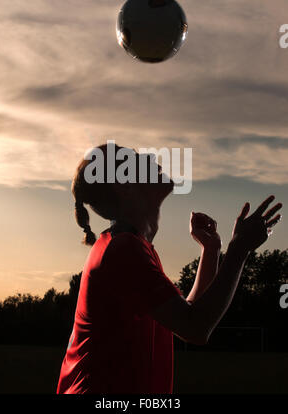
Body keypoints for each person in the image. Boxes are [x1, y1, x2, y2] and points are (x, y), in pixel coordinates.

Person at [56, 143, 282, 394]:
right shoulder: (124, 251)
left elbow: (185, 316)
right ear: (126, 186)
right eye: (136, 159)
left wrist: (211, 251)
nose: (151, 157)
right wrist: (240, 249)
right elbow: (196, 328)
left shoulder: (131, 247)